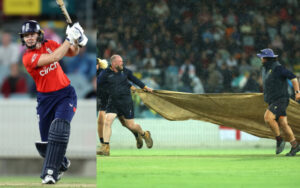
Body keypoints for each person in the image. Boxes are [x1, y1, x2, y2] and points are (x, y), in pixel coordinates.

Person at [19, 20, 88, 184]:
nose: (29, 38)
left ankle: (49, 173)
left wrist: (77, 40)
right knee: (46, 146)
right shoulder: (27, 58)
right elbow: (55, 57)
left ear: (38, 35)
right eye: (26, 35)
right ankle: (62, 163)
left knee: (59, 128)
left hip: (65, 95)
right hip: (45, 100)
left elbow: (72, 52)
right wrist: (69, 37)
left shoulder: (50, 43)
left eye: (32, 34)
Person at [97, 55, 153, 156]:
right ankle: (106, 147)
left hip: (126, 102)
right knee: (107, 121)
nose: (122, 63)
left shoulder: (125, 71)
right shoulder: (105, 74)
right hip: (113, 102)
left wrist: (144, 87)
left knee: (130, 125)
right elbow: (99, 84)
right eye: (120, 62)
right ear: (114, 63)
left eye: (122, 61)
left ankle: (145, 134)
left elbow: (134, 79)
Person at [257, 48, 300, 156]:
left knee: (268, 118)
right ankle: (295, 145)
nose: (260, 59)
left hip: (281, 99)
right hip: (273, 100)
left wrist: (297, 92)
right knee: (283, 124)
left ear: (266, 58)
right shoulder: (265, 69)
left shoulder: (278, 68)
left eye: (262, 57)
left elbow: (293, 78)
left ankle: (279, 139)